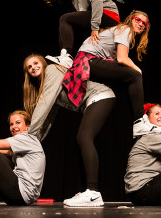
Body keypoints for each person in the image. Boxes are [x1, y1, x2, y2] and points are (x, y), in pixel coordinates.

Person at [23, 54, 115, 207]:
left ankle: (93, 192)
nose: (33, 67)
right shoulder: (46, 84)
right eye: (29, 67)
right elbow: (49, 116)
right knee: (80, 142)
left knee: (84, 138)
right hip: (95, 101)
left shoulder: (52, 71)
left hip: (100, 95)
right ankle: (88, 190)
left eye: (35, 63)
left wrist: (27, 138)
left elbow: (42, 107)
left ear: (43, 63)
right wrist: (35, 140)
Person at [62, 10, 151, 138]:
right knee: (135, 75)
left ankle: (134, 124)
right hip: (88, 61)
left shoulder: (121, 30)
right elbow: (122, 58)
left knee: (125, 83)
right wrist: (138, 70)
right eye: (138, 20)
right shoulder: (125, 29)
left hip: (87, 61)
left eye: (144, 24)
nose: (141, 24)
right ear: (131, 19)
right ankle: (138, 121)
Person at [42, 0, 121, 68]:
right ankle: (65, 56)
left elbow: (97, 1)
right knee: (66, 27)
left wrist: (94, 28)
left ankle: (67, 55)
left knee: (65, 19)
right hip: (97, 18)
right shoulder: (74, 0)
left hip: (109, 14)